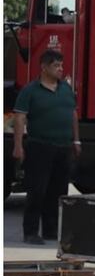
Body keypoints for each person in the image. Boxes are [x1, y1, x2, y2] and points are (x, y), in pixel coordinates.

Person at [11, 49, 81, 245]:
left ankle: (51, 230)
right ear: (44, 67)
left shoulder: (66, 89)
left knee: (58, 191)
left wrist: (77, 141)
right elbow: (20, 117)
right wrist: (18, 146)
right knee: (37, 189)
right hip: (39, 146)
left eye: (61, 65)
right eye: (56, 66)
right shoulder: (30, 91)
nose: (61, 69)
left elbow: (73, 114)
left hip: (63, 147)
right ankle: (31, 231)